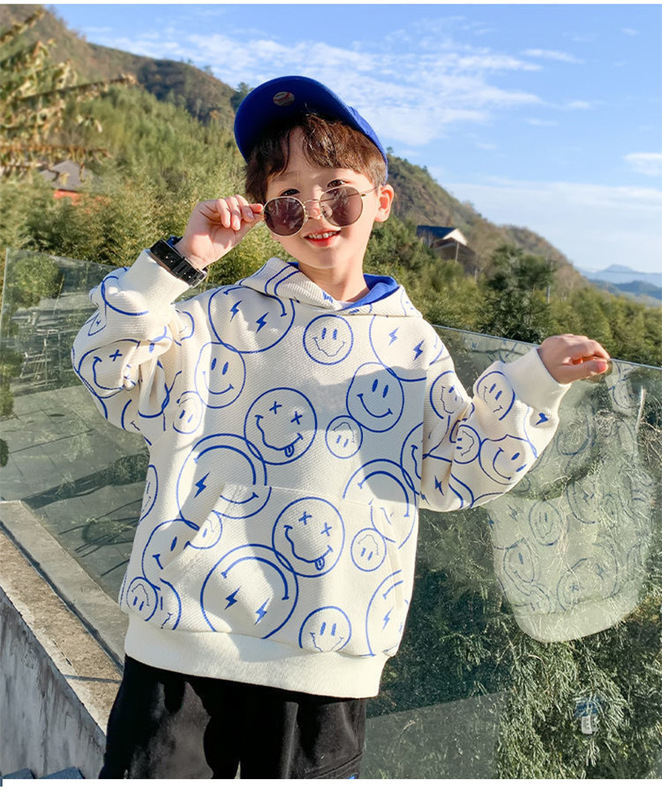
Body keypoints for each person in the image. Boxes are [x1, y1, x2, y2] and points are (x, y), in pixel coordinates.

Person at [71, 75, 610, 779]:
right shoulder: (213, 320)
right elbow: (107, 369)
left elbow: (457, 472)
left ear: (382, 203)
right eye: (287, 200)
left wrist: (535, 379)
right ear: (266, 215)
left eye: (339, 192)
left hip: (328, 661)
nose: (317, 214)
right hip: (179, 644)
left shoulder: (410, 346)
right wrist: (181, 261)